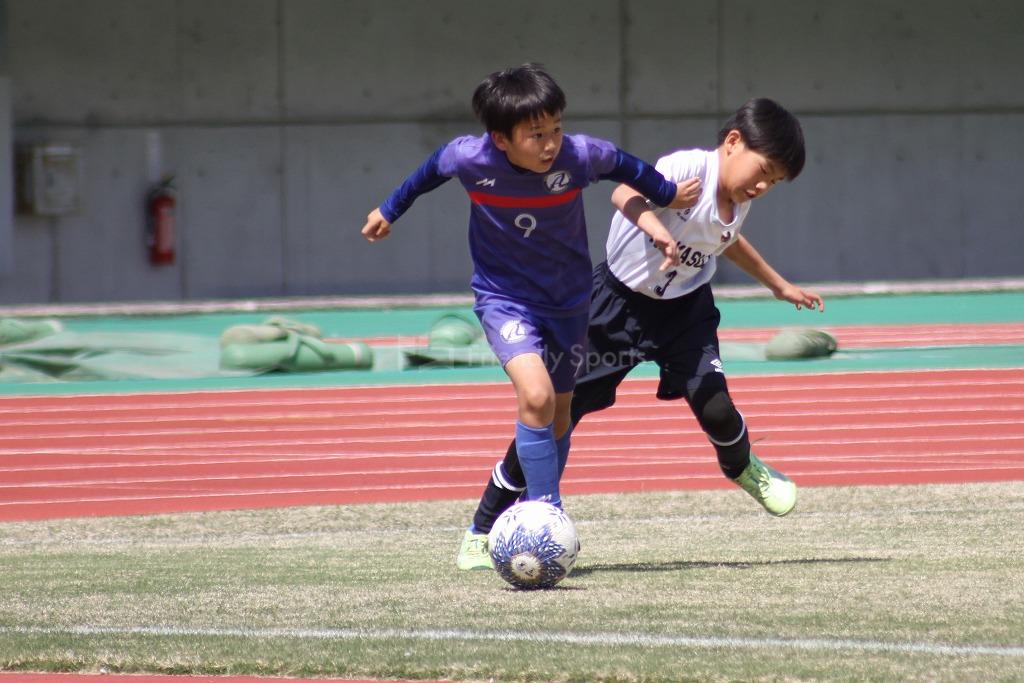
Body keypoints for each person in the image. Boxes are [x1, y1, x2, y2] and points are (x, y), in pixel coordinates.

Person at [457, 97, 825, 570]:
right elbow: (623, 195)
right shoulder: (690, 166)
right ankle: (482, 530)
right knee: (552, 416)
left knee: (714, 402)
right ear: (733, 143)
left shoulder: (738, 199)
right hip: (613, 308)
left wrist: (778, 285)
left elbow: (726, 243)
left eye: (773, 182)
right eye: (764, 170)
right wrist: (657, 229)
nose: (762, 185)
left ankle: (742, 467)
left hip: (684, 312)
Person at [361, 64, 700, 522]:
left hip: (569, 301)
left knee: (561, 414)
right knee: (536, 397)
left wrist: (666, 192)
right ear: (501, 139)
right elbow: (428, 172)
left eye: (555, 129)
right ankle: (544, 515)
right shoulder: (468, 158)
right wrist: (389, 209)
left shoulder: (580, 156)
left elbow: (623, 163)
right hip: (505, 298)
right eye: (535, 134)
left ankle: (509, 523)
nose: (550, 144)